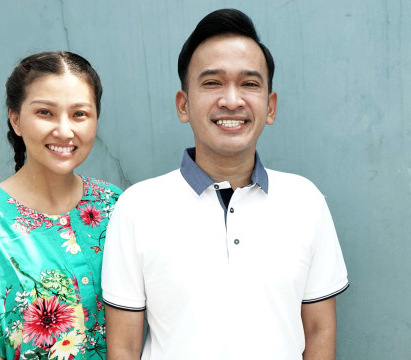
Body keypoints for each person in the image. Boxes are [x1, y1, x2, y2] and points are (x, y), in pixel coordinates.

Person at [101, 9, 349, 360]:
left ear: (270, 106)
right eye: (212, 82)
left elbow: (319, 331)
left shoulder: (305, 201)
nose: (232, 100)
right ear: (183, 104)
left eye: (249, 84)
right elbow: (123, 347)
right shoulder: (137, 207)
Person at [0, 51, 122, 360]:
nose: (64, 130)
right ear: (16, 119)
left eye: (79, 114)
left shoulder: (115, 206)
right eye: (45, 112)